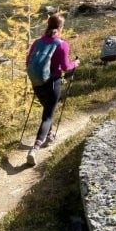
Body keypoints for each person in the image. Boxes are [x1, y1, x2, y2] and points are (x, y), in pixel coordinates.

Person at [25, 13, 79, 166]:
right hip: (53, 82)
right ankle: (34, 149)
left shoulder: (37, 42)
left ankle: (49, 135)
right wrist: (76, 63)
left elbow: (28, 61)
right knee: (48, 116)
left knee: (47, 110)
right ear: (61, 27)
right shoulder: (61, 44)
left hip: (37, 82)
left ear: (48, 25)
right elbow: (66, 67)